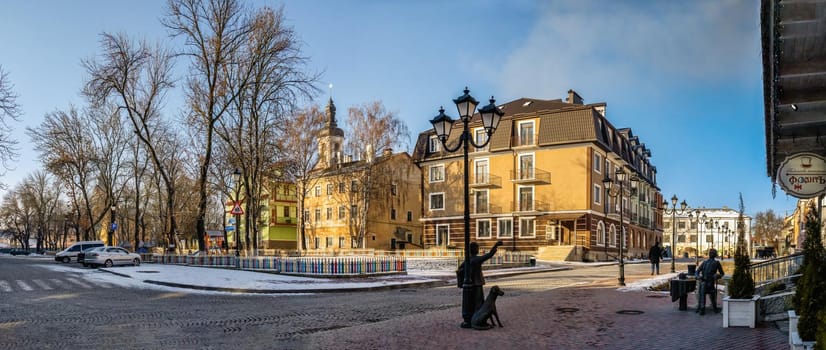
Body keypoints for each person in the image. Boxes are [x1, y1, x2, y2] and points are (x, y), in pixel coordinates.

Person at [458, 240, 503, 328]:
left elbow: (459, 269)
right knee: (478, 303)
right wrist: (496, 245)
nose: (478, 249)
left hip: (469, 285)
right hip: (477, 284)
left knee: (470, 303)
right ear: (475, 249)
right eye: (477, 248)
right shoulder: (476, 259)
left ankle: (469, 319)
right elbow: (489, 255)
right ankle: (477, 320)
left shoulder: (468, 260)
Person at [695, 248, 724, 315]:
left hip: (711, 283)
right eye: (710, 253)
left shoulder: (717, 263)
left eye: (713, 253)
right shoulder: (704, 263)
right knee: (702, 287)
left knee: (706, 289)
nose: (711, 254)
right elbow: (697, 271)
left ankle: (711, 307)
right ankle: (702, 307)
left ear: (715, 255)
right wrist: (698, 276)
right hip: (704, 282)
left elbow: (722, 274)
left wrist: (717, 275)